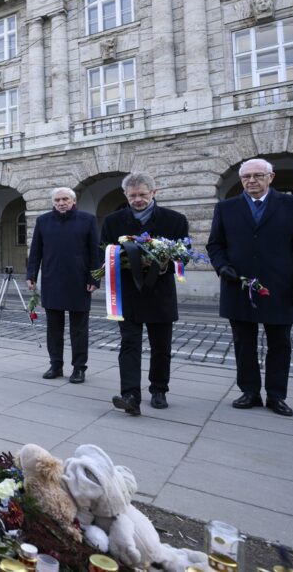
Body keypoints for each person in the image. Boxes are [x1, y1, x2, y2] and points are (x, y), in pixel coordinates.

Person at [206, 158, 293, 417]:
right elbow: (215, 245)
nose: (251, 181)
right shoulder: (226, 208)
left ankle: (276, 395)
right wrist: (222, 267)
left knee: (280, 344)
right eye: (246, 177)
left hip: (280, 287)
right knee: (244, 343)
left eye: (257, 176)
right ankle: (249, 391)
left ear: (270, 177)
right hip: (238, 286)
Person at [101, 172, 189, 416]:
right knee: (129, 344)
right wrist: (125, 262)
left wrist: (162, 264)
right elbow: (105, 253)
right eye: (132, 196)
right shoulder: (112, 221)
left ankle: (159, 389)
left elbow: (183, 256)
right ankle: (130, 394)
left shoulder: (175, 220)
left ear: (154, 193)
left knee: (161, 345)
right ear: (125, 196)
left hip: (161, 293)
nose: (137, 199)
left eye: (142, 194)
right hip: (128, 293)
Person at [26, 188, 100, 383]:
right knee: (54, 328)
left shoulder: (87, 220)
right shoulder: (43, 221)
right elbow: (35, 251)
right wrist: (31, 275)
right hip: (52, 280)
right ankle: (56, 365)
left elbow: (95, 253)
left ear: (73, 201)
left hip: (79, 281)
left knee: (79, 329)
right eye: (57, 200)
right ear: (53, 202)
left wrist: (95, 279)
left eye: (65, 199)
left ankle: (79, 368)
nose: (61, 202)